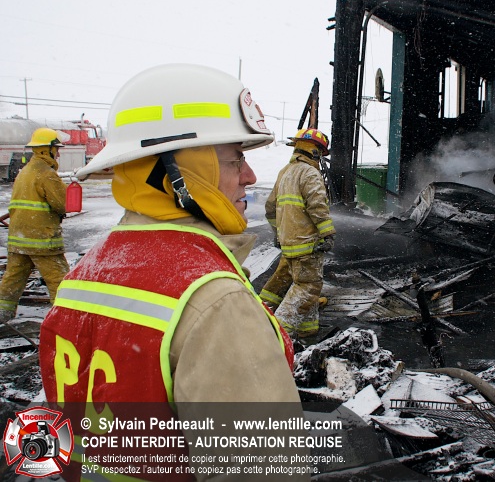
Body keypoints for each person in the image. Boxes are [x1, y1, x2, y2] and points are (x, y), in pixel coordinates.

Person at [37, 64, 305, 479]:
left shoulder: (83, 275)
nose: (250, 177)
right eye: (234, 160)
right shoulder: (215, 302)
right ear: (175, 174)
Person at [260, 128, 335, 338]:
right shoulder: (310, 173)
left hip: (289, 242)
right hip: (308, 243)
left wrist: (278, 233)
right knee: (308, 286)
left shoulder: (285, 172)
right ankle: (277, 333)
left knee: (292, 281)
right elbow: (317, 206)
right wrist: (327, 234)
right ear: (316, 151)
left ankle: (307, 329)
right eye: (320, 152)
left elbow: (270, 208)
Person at [0, 128, 70, 323]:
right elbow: (62, 204)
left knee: (12, 281)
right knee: (60, 280)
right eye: (56, 149)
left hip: (19, 239)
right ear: (47, 150)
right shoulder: (46, 174)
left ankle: (3, 314)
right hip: (41, 240)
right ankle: (65, 319)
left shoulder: (25, 172)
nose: (58, 153)